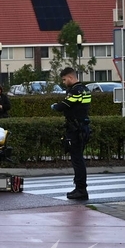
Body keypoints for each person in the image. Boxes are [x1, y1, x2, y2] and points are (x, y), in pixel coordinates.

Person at [52, 67, 91, 200]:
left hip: (75, 129)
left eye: (64, 79)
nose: (64, 82)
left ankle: (81, 189)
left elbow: (66, 104)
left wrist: (55, 106)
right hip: (83, 127)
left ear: (70, 77)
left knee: (77, 160)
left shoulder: (75, 91)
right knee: (79, 158)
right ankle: (80, 188)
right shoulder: (85, 89)